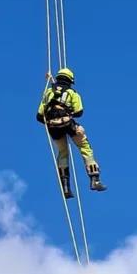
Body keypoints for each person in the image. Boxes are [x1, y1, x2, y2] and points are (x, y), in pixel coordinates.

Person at [37, 67, 107, 198]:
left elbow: (39, 116)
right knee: (85, 147)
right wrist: (67, 114)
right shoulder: (72, 94)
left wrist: (53, 122)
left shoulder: (48, 92)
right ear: (70, 81)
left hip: (53, 127)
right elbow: (79, 112)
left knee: (62, 153)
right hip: (68, 124)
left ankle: (65, 187)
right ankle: (95, 180)